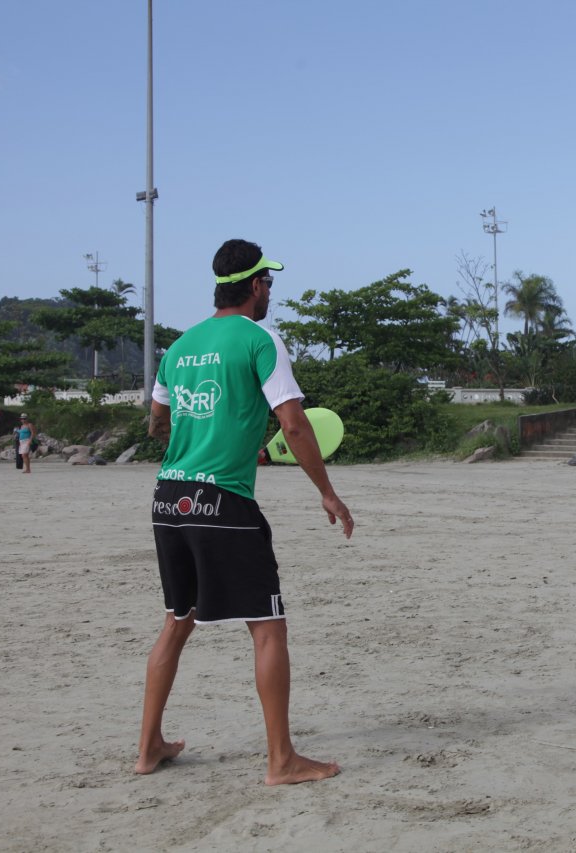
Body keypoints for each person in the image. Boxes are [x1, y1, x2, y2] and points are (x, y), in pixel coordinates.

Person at [136, 238, 354, 786]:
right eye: (269, 285)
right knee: (268, 628)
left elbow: (157, 421)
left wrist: (204, 434)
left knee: (176, 622)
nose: (270, 295)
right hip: (223, 501)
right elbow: (295, 423)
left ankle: (148, 748)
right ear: (255, 286)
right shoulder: (260, 338)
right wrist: (327, 492)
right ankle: (282, 761)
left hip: (169, 498)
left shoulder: (180, 346)